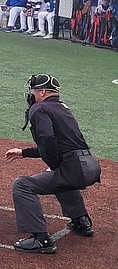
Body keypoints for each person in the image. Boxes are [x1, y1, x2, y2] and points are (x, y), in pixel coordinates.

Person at [6, 74, 101, 254]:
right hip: (91, 165)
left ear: (42, 92)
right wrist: (25, 153)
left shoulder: (39, 108)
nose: (32, 94)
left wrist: (54, 163)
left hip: (75, 168)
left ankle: (41, 240)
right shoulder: (62, 107)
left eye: (34, 91)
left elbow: (48, 139)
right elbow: (63, 143)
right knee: (59, 177)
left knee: (22, 185)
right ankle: (81, 221)